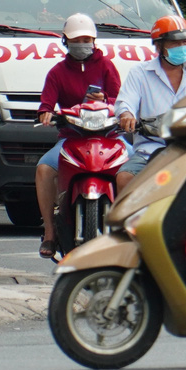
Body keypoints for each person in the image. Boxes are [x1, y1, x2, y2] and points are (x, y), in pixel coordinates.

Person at [34, 13, 124, 257]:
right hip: (71, 138)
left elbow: (121, 100)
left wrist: (105, 99)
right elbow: (46, 103)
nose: (82, 44)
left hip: (110, 137)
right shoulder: (57, 72)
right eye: (77, 39)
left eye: (87, 39)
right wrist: (45, 113)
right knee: (44, 170)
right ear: (66, 41)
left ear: (94, 41)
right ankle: (50, 232)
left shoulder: (107, 66)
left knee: (136, 167)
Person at [115, 16, 186, 191]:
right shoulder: (140, 73)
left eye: (185, 42)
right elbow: (126, 101)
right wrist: (126, 115)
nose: (182, 47)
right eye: (175, 43)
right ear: (159, 45)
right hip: (149, 151)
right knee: (124, 178)